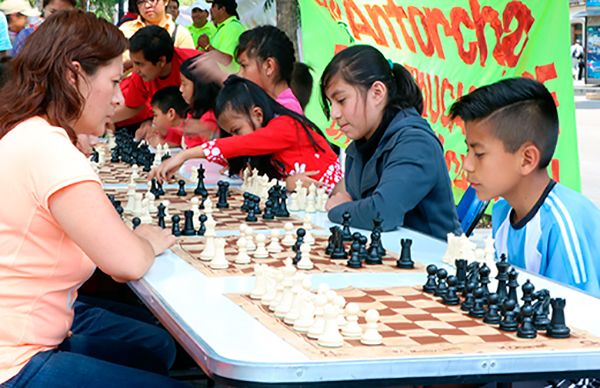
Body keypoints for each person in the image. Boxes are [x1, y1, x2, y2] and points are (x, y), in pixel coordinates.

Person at [0, 10, 185, 386]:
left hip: (35, 336)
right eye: (115, 81)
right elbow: (128, 263)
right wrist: (146, 240)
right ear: (73, 76)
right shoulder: (48, 148)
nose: (119, 99)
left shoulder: (31, 133)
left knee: (152, 353)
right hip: (15, 362)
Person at [449, 77, 600, 298]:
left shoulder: (561, 226)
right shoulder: (503, 212)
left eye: (479, 153)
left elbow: (578, 320)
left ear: (527, 159)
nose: (467, 165)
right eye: (467, 151)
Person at [320, 45, 461, 238]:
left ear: (377, 93)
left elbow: (382, 213)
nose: (335, 114)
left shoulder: (415, 143)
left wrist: (340, 209)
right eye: (331, 104)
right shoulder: (359, 147)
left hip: (432, 261)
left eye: (342, 100)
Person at [151, 75, 342, 192]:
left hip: (334, 200)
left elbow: (240, 145)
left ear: (257, 114)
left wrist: (184, 155)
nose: (236, 138)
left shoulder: (286, 126)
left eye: (236, 130)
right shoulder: (265, 139)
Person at [190, 25, 312, 114]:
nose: (239, 74)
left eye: (244, 66)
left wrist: (219, 75)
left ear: (269, 66)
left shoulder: (286, 110)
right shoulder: (268, 103)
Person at [113, 25, 199, 135]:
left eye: (139, 64)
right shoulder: (140, 76)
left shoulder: (196, 66)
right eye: (134, 63)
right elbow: (133, 107)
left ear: (161, 61)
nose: (135, 70)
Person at [119, 0, 194, 67]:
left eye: (152, 0)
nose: (147, 5)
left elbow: (189, 69)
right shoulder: (125, 29)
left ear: (166, 1)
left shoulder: (180, 33)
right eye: (141, 2)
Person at [178, 55, 220, 146]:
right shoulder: (194, 112)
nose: (180, 89)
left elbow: (211, 150)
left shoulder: (208, 118)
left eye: (184, 84)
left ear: (200, 86)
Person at [11, 0, 76, 56]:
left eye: (65, 13)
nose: (58, 17)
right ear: (44, 8)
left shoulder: (77, 37)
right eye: (53, 12)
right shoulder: (27, 35)